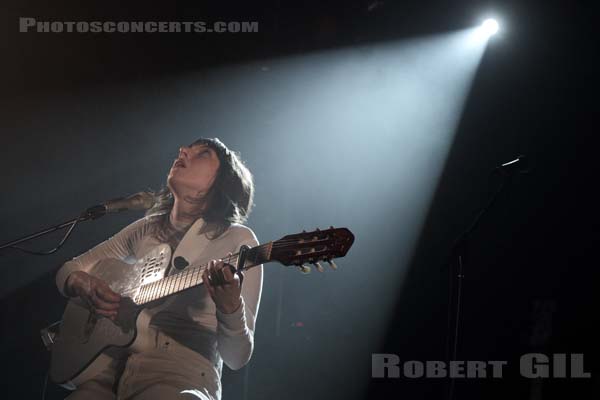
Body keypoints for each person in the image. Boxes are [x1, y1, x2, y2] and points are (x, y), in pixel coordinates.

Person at [55, 138, 263, 400]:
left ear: (221, 181)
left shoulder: (239, 241)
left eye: (203, 153)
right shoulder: (146, 228)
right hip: (112, 370)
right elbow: (69, 269)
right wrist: (83, 284)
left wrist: (230, 308)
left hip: (180, 377)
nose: (183, 151)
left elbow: (237, 357)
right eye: (187, 147)